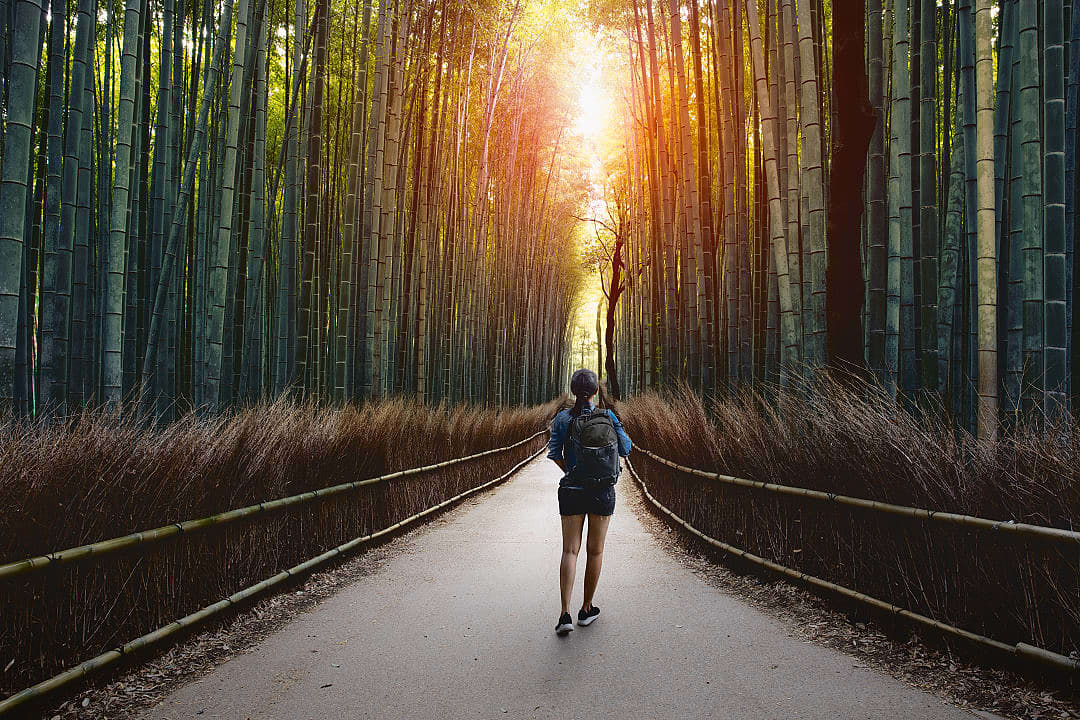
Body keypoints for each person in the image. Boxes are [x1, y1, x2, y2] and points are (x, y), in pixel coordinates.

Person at [546, 368, 632, 636]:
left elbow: (554, 453)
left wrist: (571, 472)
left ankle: (564, 615)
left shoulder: (562, 418)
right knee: (595, 551)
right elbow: (627, 448)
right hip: (602, 492)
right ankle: (586, 609)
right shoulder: (607, 416)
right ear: (596, 391)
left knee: (570, 551)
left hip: (572, 489)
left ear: (573, 391)